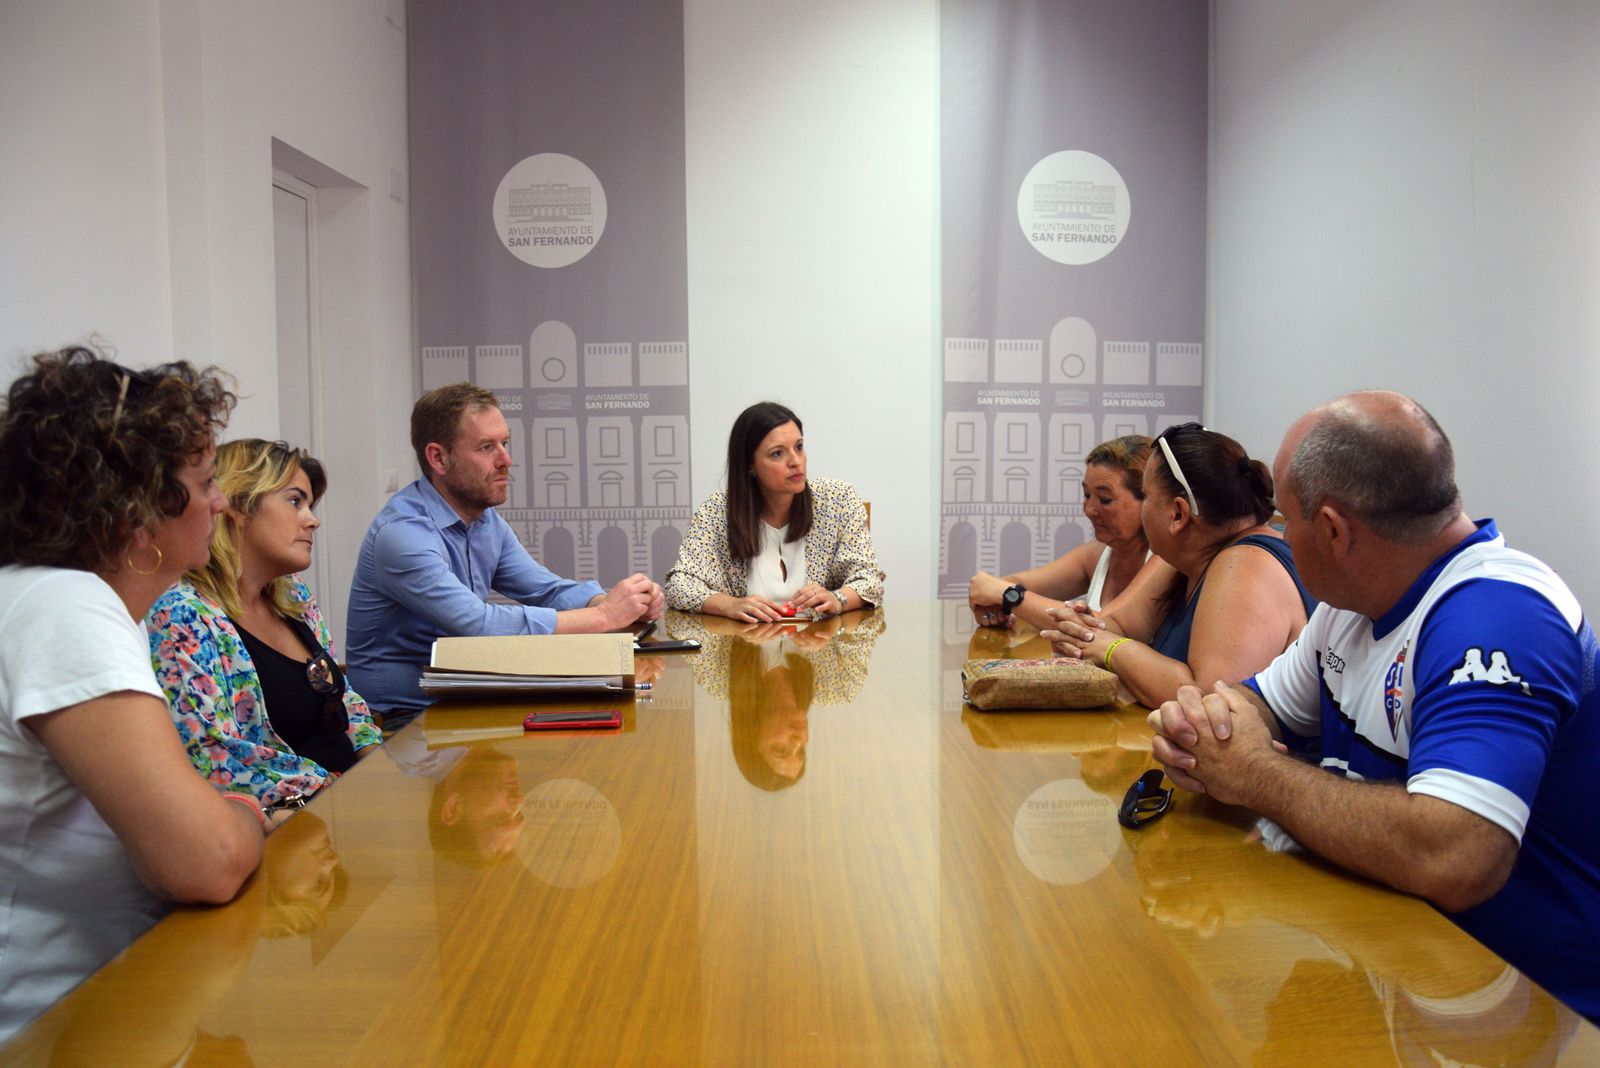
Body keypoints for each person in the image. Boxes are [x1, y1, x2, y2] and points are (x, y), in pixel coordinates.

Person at [1147, 391, 1600, 1022]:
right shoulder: (1347, 606)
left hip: (1525, 1005)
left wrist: (1254, 774)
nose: (1276, 532)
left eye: (1286, 518)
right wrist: (1199, 730)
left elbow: (1456, 856)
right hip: (1393, 966)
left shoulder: (1499, 615)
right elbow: (1246, 710)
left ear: (1332, 530)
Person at [0, 346, 269, 1042]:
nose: (220, 503)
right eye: (207, 481)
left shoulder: (48, 597)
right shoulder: (67, 605)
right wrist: (242, 812)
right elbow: (206, 861)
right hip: (67, 1029)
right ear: (138, 511)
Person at [346, 383, 663, 731]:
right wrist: (604, 616)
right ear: (438, 458)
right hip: (401, 722)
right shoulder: (403, 533)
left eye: (504, 444)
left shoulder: (485, 522)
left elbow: (546, 590)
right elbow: (477, 625)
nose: (506, 460)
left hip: (464, 698)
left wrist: (618, 602)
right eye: (486, 447)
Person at [146, 439, 383, 807]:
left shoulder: (293, 597)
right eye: (294, 501)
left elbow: (345, 700)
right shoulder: (183, 616)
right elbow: (212, 756)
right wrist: (338, 793)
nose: (313, 519)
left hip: (351, 799)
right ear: (238, 506)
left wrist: (378, 770)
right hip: (296, 823)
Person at [1044, 422, 1315, 708]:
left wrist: (1108, 648)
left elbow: (1208, 700)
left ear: (1178, 514)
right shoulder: (1190, 552)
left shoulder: (1247, 564)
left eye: (1146, 496)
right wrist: (1081, 631)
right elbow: (1120, 624)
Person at [664, 401, 884, 622]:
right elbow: (679, 585)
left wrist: (837, 600)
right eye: (777, 454)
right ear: (750, 465)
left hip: (817, 647)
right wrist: (729, 605)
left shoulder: (838, 500)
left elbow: (869, 579)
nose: (796, 462)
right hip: (745, 649)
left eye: (799, 447)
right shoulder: (718, 511)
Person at [968, 434, 1173, 629]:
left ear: (1148, 500)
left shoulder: (1166, 560)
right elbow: (1010, 584)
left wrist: (1009, 596)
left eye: (1105, 500)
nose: (1089, 510)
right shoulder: (1095, 555)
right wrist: (994, 602)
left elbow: (1104, 627)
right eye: (1086, 495)